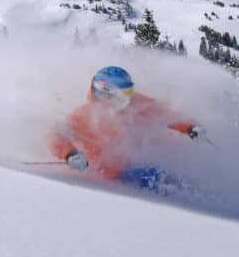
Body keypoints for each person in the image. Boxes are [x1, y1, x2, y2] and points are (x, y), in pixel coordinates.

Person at [48, 66, 205, 187]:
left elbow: (165, 114)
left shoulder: (134, 104)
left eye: (129, 92)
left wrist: (190, 127)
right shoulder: (83, 116)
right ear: (104, 93)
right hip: (110, 174)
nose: (127, 99)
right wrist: (69, 154)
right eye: (122, 94)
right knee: (159, 179)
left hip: (136, 163)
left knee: (174, 180)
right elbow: (55, 134)